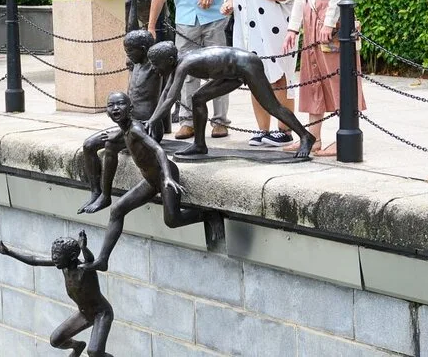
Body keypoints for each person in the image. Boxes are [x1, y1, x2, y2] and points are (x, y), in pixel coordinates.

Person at [80, 92, 221, 272]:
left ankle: (209, 215)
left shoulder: (135, 129)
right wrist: (113, 138)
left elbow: (158, 150)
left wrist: (168, 177)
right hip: (150, 180)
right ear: (107, 112)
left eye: (120, 104)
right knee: (117, 210)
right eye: (111, 105)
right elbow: (118, 138)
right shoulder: (123, 131)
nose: (115, 108)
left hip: (164, 176)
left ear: (130, 108)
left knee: (172, 220)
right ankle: (102, 260)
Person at [281, 0, 366, 157]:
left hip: (327, 11)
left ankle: (345, 136)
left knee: (337, 75)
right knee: (312, 76)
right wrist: (293, 27)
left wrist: (329, 22)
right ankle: (313, 138)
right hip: (313, 11)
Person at [147, 0, 234, 141]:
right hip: (185, 20)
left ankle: (220, 122)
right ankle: (188, 122)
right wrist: (151, 26)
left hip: (215, 16)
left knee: (219, 70)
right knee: (185, 72)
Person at [145, 42, 317, 158]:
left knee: (272, 106)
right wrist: (152, 119)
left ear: (169, 60)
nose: (153, 68)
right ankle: (199, 145)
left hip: (247, 65)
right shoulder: (178, 62)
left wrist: (152, 121)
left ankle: (306, 136)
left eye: (155, 63)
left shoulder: (184, 64)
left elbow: (170, 98)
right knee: (198, 98)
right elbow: (166, 93)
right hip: (230, 72)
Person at [220, 0, 298, 148]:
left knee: (278, 78)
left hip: (274, 31)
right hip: (246, 33)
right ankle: (262, 130)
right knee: (254, 79)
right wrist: (228, 2)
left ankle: (284, 130)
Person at [0, 231, 114, 357]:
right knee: (56, 340)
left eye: (57, 255)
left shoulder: (85, 268)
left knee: (94, 352)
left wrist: (84, 248)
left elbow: (90, 260)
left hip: (101, 313)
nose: (54, 258)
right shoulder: (64, 265)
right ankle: (77, 346)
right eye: (53, 254)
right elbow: (34, 260)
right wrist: (9, 252)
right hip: (84, 313)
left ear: (72, 256)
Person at [79, 30, 163, 214]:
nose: (127, 54)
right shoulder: (135, 64)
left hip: (145, 127)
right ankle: (95, 192)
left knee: (110, 145)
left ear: (143, 49)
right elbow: (130, 27)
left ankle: (106, 196)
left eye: (130, 51)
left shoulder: (155, 67)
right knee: (88, 145)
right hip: (128, 124)